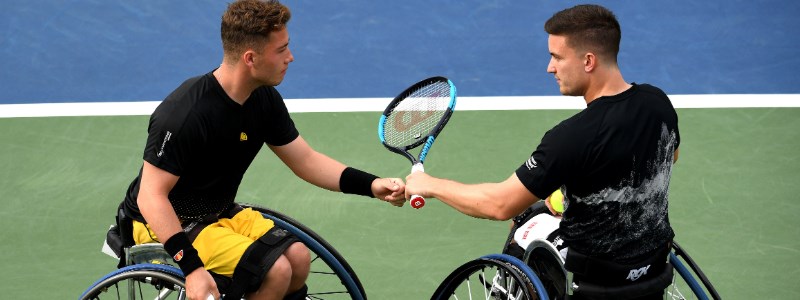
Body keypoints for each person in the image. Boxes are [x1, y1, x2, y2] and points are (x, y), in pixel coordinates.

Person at [117, 1, 406, 299]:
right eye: (281, 50)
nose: (290, 58)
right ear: (251, 58)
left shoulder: (263, 100)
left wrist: (372, 185)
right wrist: (191, 268)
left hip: (217, 214)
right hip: (159, 223)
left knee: (298, 259)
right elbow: (151, 196)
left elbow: (306, 161)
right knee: (276, 270)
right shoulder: (185, 113)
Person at [405, 4, 680, 299]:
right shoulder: (657, 102)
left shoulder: (572, 136)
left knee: (525, 217)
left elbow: (499, 204)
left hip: (593, 279)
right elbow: (668, 157)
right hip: (652, 269)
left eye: (557, 57)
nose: (550, 67)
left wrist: (430, 185)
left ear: (588, 61)